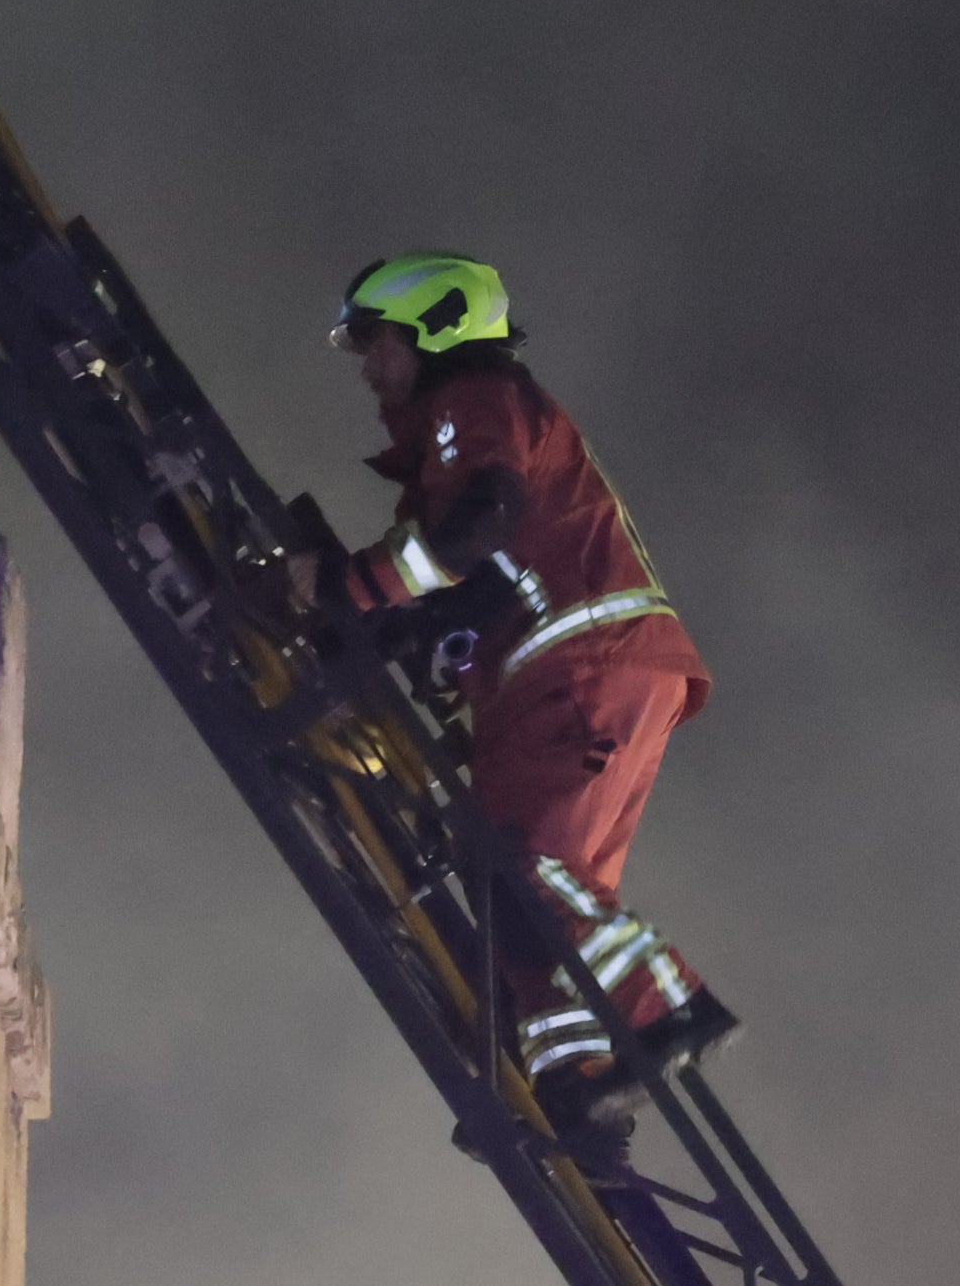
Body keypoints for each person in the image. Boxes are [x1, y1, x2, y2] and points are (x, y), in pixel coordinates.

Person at [295, 251, 741, 1141]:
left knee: (522, 873)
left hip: (574, 670)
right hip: (588, 677)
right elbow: (470, 585)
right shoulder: (470, 432)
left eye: (378, 340)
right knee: (527, 905)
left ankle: (664, 1008)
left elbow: (471, 533)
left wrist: (345, 587)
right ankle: (585, 1091)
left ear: (437, 326)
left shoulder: (476, 400)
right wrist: (391, 625)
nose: (369, 365)